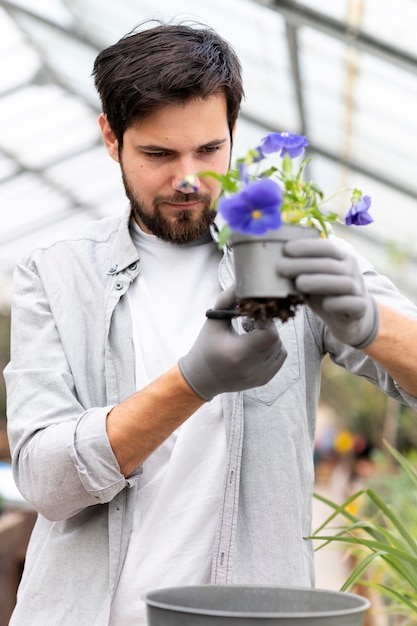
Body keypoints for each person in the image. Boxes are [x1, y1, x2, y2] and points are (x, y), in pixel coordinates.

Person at [4, 19, 417, 626]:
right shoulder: (57, 275)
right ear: (111, 139)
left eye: (209, 150)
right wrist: (190, 383)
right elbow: (45, 481)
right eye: (158, 155)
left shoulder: (283, 246)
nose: (188, 179)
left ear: (232, 133)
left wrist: (369, 322)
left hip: (248, 614)